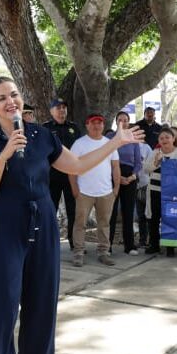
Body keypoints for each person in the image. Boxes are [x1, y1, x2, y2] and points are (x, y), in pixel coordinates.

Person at [0, 78, 142, 354]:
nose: (10, 101)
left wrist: (115, 143)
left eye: (14, 94)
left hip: (42, 226)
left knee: (42, 304)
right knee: (2, 314)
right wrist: (5, 154)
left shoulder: (43, 136)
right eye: (2, 98)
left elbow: (76, 166)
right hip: (2, 232)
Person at [68, 114, 121, 267]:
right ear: (87, 125)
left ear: (103, 126)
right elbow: (71, 167)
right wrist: (74, 188)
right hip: (84, 192)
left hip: (106, 192)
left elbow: (115, 166)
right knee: (80, 223)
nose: (96, 126)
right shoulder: (79, 144)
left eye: (99, 123)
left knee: (104, 224)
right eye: (93, 123)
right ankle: (78, 253)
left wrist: (116, 188)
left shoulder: (109, 143)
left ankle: (103, 252)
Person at [42, 98, 82, 250]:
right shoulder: (45, 128)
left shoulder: (74, 127)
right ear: (52, 111)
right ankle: (49, 242)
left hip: (71, 175)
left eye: (64, 107)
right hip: (52, 176)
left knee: (73, 210)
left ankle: (74, 242)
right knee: (50, 209)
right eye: (58, 108)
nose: (62, 110)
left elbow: (80, 150)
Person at [108, 111, 149, 257]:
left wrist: (131, 176)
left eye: (126, 120)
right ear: (116, 122)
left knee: (128, 213)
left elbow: (138, 163)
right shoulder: (110, 138)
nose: (123, 122)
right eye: (120, 120)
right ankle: (107, 246)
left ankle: (129, 245)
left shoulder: (133, 140)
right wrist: (117, 178)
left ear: (129, 122)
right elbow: (105, 158)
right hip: (112, 178)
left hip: (130, 178)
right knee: (110, 214)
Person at [144, 127, 177, 257]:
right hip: (154, 190)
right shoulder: (155, 152)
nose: (164, 140)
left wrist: (166, 161)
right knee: (154, 219)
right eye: (161, 138)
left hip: (172, 192)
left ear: (173, 138)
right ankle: (154, 245)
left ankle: (170, 246)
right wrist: (156, 162)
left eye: (167, 137)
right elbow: (146, 169)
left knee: (170, 219)